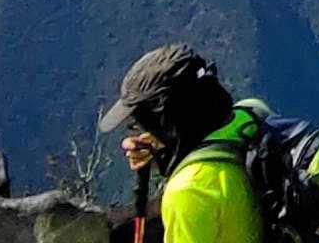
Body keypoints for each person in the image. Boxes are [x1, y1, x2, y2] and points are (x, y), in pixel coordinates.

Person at [105, 43, 261, 243]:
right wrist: (164, 154)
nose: (141, 132)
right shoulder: (250, 115)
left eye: (143, 122)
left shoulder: (188, 191)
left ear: (165, 122)